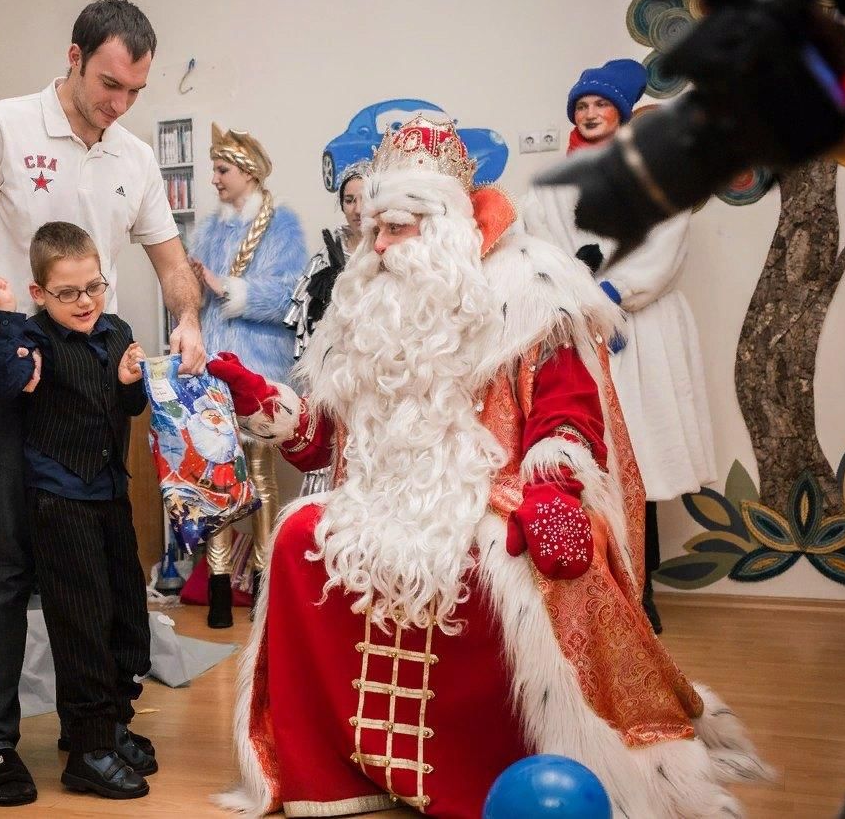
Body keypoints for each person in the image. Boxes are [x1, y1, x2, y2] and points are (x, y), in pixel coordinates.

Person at [209, 115, 770, 817]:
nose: (378, 246)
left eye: (397, 229)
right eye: (373, 228)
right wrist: (269, 403)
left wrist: (554, 485)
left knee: (500, 559)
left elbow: (568, 412)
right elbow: (326, 441)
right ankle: (333, 769)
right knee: (297, 540)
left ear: (442, 224)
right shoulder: (364, 305)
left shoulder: (528, 290)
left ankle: (504, 764)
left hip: (490, 496)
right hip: (381, 500)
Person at [0, 0, 204, 806]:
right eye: (108, 84)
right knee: (8, 564)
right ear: (75, 56)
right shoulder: (3, 126)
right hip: (9, 379)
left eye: (134, 91)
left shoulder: (134, 156)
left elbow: (170, 260)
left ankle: (94, 727)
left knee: (102, 566)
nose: (118, 104)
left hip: (91, 387)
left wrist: (187, 316)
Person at [522, 58, 716, 634]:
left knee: (643, 459)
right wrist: (568, 290)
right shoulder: (553, 189)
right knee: (591, 457)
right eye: (580, 107)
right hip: (579, 329)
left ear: (622, 113)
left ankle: (643, 587)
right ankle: (599, 588)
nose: (589, 114)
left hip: (640, 328)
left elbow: (662, 251)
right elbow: (539, 246)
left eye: (599, 105)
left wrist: (615, 288)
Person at [0, 221, 153, 801]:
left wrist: (131, 383)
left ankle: (111, 722)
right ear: (39, 293)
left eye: (94, 287)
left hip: (109, 494)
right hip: (59, 504)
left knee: (126, 611)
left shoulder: (115, 330)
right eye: (68, 293)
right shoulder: (33, 340)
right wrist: (3, 315)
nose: (85, 302)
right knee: (82, 621)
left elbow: (126, 402)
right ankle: (87, 751)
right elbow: (5, 380)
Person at [186, 124, 306, 628]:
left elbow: (290, 300)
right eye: (214, 169)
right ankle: (216, 586)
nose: (213, 178)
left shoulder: (284, 229)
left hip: (257, 373)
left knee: (258, 478)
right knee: (215, 478)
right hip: (211, 372)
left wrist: (230, 287)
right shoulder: (209, 232)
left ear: (248, 172)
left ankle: (260, 582)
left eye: (222, 169)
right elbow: (190, 305)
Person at [286, 159, 369, 496]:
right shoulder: (324, 258)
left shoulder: (392, 249)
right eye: (349, 200)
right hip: (332, 377)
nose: (357, 208)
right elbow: (304, 324)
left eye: (364, 198)